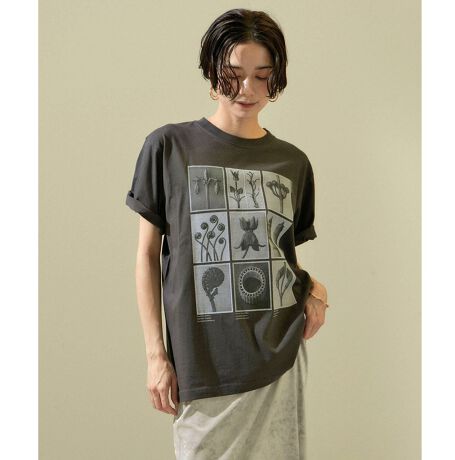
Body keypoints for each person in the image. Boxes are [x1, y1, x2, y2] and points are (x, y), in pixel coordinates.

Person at [125, 8, 329, 459]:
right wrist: (156, 356)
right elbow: (146, 256)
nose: (247, 89)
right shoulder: (168, 147)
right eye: (233, 75)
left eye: (262, 76)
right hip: (205, 366)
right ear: (211, 71)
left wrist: (315, 288)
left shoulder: (293, 163)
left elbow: (281, 257)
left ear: (276, 79)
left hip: (279, 360)